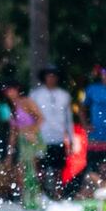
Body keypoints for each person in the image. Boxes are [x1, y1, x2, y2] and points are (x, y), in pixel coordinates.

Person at [28, 66, 73, 194]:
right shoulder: (35, 94)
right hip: (41, 137)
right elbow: (31, 116)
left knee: (58, 169)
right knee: (40, 168)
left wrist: (71, 138)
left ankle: (57, 194)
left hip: (58, 136)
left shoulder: (64, 95)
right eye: (49, 75)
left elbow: (68, 118)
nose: (51, 78)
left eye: (54, 75)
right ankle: (40, 194)